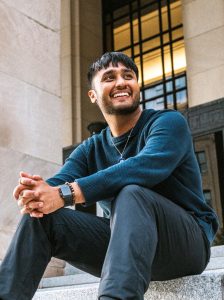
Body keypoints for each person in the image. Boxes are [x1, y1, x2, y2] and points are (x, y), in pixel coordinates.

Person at [0, 52, 219, 300]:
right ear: (93, 95)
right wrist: (36, 194)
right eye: (109, 77)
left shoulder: (168, 123)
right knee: (41, 217)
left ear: (137, 86)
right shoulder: (91, 148)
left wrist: (66, 193)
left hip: (184, 244)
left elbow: (144, 167)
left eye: (128, 76)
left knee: (133, 192)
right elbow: (61, 181)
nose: (121, 82)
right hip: (124, 248)